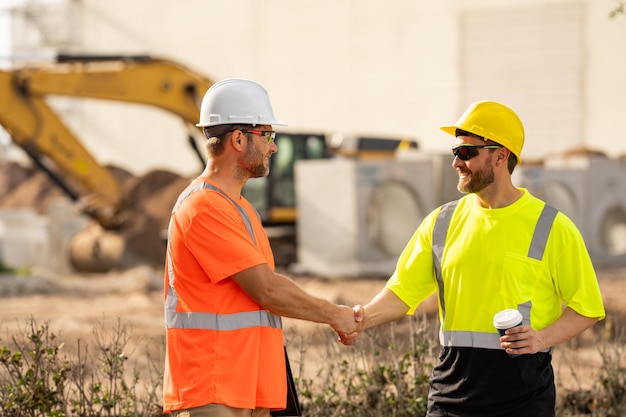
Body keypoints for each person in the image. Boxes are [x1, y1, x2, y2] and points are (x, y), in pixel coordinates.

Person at [339, 101, 605, 417]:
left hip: (523, 397)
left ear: (500, 155)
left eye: (466, 153)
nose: (456, 162)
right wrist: (361, 318)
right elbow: (401, 293)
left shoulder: (552, 227)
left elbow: (588, 308)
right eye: (455, 152)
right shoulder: (441, 222)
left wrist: (541, 338)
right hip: (451, 395)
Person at [163, 78, 359, 417]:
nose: (273, 147)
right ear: (238, 139)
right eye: (267, 136)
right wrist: (335, 315)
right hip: (216, 391)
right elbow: (267, 289)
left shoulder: (238, 207)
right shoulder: (203, 207)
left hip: (244, 388)